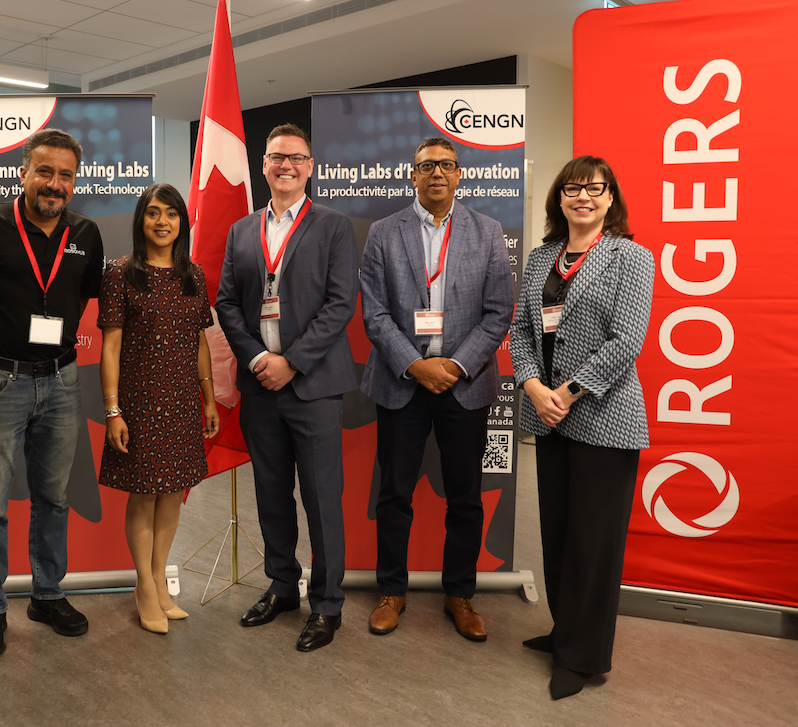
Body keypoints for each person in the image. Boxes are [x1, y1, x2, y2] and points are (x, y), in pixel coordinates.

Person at [509, 156, 654, 700]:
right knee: (559, 532)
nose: (583, 197)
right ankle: (565, 628)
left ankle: (584, 656)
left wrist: (565, 394)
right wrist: (533, 387)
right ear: (560, 198)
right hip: (548, 418)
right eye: (573, 188)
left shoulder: (631, 258)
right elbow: (522, 331)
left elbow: (626, 342)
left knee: (594, 541)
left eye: (595, 189)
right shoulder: (542, 257)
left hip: (604, 418)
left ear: (610, 198)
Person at [359, 137, 513, 641]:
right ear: (413, 176)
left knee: (466, 498)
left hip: (463, 387)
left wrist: (456, 365)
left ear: (458, 173)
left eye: (446, 165)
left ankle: (460, 596)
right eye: (427, 167)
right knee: (393, 495)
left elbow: (498, 313)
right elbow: (374, 314)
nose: (437, 174)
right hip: (401, 383)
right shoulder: (383, 233)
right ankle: (391, 592)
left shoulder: (488, 232)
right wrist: (414, 365)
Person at [216, 123, 358, 652]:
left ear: (310, 166)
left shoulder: (334, 225)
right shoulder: (242, 230)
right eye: (277, 157)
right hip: (260, 387)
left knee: (322, 500)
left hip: (313, 386)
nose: (286, 166)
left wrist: (291, 363)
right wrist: (257, 358)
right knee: (270, 494)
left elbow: (341, 303)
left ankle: (327, 605)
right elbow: (227, 303)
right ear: (264, 164)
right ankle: (281, 586)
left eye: (296, 158)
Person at [0, 129, 105, 659]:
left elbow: (84, 298)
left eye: (65, 175)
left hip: (63, 380)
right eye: (44, 171)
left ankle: (47, 594)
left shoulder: (86, 233)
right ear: (23, 172)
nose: (54, 183)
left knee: (53, 496)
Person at [98, 183, 220, 634]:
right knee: (145, 491)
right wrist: (113, 411)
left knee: (173, 492)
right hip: (140, 401)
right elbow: (110, 348)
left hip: (183, 399)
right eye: (153, 213)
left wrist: (209, 398)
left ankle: (159, 577)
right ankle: (144, 586)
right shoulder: (121, 273)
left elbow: (201, 341)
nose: (162, 222)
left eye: (171, 214)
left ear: (181, 222)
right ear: (140, 221)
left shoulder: (194, 275)